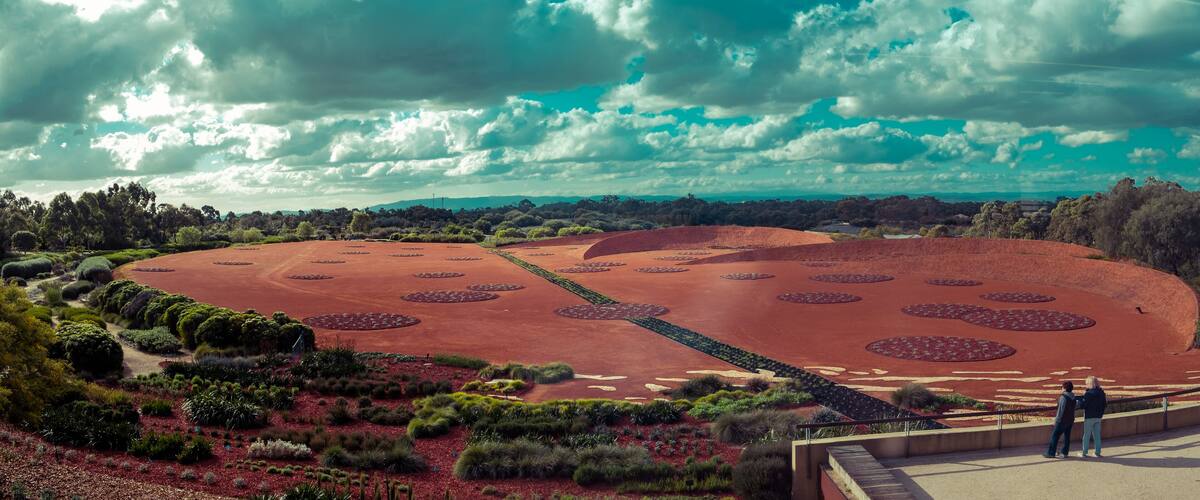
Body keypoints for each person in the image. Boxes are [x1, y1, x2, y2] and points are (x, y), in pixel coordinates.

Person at [1044, 381, 1076, 458]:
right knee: (1067, 436)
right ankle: (1065, 452)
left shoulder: (1063, 397)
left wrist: (1056, 420)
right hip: (1070, 420)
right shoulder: (1073, 397)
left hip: (1062, 421)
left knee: (1055, 436)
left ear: (1064, 388)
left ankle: (1051, 453)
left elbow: (1060, 411)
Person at [1077, 376, 1107, 457]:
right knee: (1097, 435)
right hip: (1098, 416)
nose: (1086, 385)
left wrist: (1079, 402)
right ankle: (1097, 452)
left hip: (1089, 416)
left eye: (1086, 384)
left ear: (1090, 384)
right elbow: (1104, 404)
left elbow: (1083, 405)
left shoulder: (1088, 394)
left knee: (1086, 435)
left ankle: (1084, 452)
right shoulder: (1102, 393)